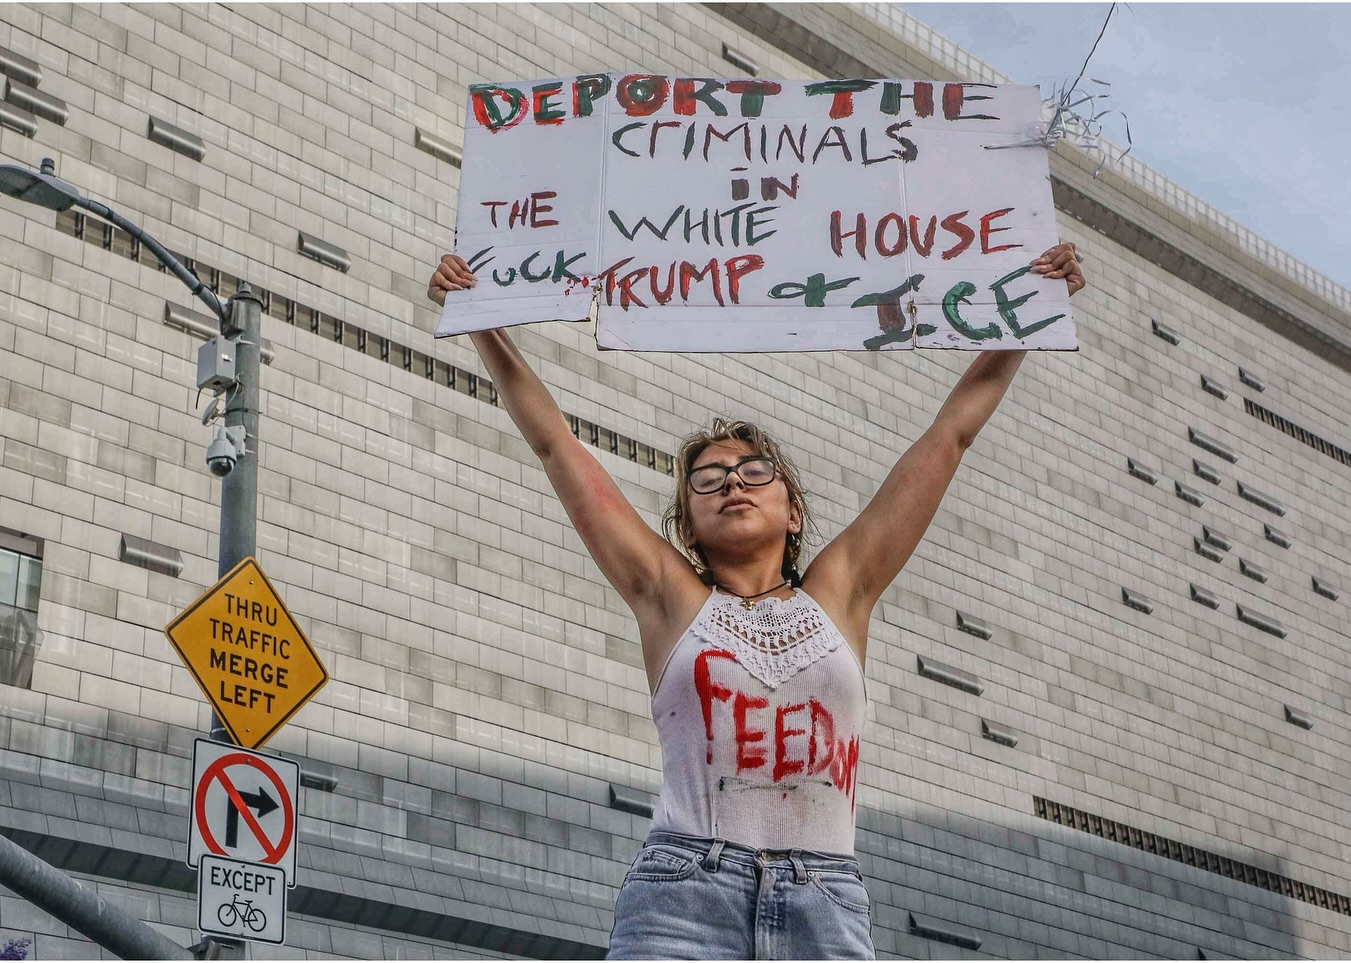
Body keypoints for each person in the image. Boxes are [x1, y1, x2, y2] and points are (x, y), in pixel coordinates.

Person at [427, 243, 1085, 960]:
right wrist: (482, 321)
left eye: (753, 470)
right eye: (707, 481)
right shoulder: (666, 595)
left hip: (824, 906)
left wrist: (1029, 314)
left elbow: (950, 434)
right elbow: (557, 447)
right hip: (682, 899)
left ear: (793, 509)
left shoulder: (844, 586)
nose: (732, 483)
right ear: (687, 524)